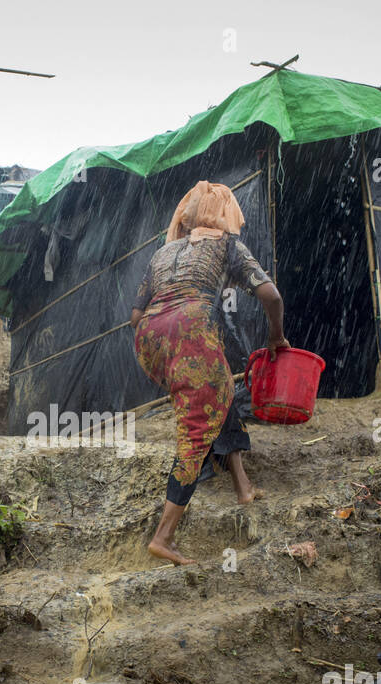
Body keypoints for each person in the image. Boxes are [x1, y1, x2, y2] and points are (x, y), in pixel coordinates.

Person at [129, 180, 289, 566]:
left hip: (149, 339)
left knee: (217, 394)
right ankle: (163, 538)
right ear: (225, 214)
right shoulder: (228, 245)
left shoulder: (164, 253)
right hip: (190, 332)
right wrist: (276, 337)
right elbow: (271, 296)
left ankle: (243, 487)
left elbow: (134, 315)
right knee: (197, 428)